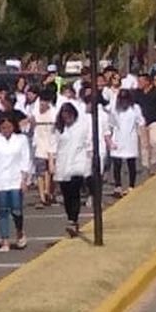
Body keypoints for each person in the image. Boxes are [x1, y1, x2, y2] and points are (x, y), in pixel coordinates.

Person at [0, 111, 32, 252]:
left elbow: (25, 159)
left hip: (15, 179)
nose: (6, 130)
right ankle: (5, 240)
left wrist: (24, 180)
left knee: (17, 209)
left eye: (9, 127)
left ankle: (19, 231)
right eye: (3, 127)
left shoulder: (21, 139)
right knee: (3, 211)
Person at [52, 101, 92, 237]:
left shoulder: (82, 127)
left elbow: (88, 143)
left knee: (74, 193)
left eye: (69, 113)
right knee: (67, 195)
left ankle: (73, 220)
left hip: (77, 163)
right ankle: (70, 217)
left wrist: (89, 162)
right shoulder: (59, 129)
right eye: (64, 114)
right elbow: (53, 146)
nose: (66, 116)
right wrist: (52, 163)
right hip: (63, 164)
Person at [106, 88, 142, 194]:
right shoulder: (114, 109)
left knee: (131, 163)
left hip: (131, 140)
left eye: (126, 99)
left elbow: (141, 122)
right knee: (117, 164)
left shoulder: (135, 108)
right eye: (122, 99)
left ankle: (131, 185)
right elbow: (110, 125)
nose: (124, 101)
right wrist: (109, 142)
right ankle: (118, 186)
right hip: (118, 139)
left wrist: (144, 140)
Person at [28, 88, 59, 207]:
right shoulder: (35, 112)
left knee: (51, 172)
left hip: (52, 144)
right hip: (39, 145)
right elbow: (30, 128)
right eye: (41, 100)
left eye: (45, 101)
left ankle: (50, 193)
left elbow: (57, 130)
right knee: (41, 172)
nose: (42, 103)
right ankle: (42, 196)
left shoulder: (54, 112)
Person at [136, 73, 156, 172]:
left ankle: (154, 162)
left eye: (141, 81)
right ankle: (146, 165)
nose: (139, 83)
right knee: (144, 144)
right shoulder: (137, 93)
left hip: (155, 120)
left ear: (147, 81)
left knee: (154, 142)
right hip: (142, 122)